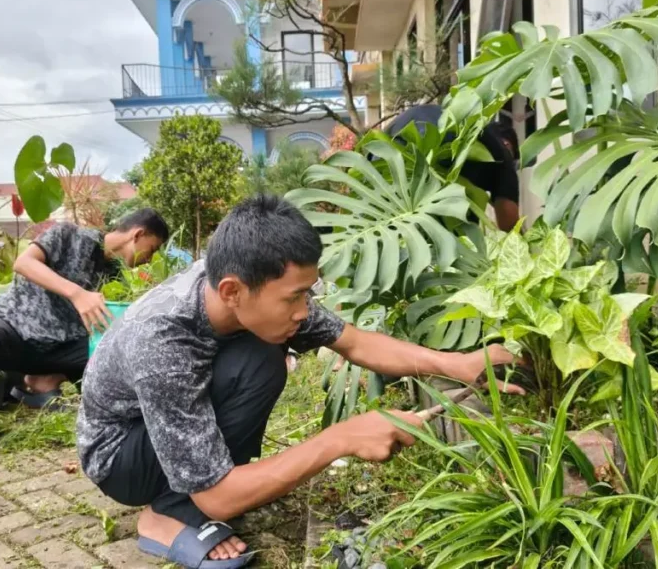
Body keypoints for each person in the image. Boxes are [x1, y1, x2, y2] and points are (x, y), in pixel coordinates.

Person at [76, 195, 524, 568]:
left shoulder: (247, 287)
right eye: (294, 297)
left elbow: (355, 342)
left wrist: (457, 365)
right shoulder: (164, 341)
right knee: (257, 364)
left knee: (259, 355)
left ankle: (195, 489)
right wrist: (341, 439)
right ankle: (166, 514)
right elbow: (218, 498)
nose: (304, 310)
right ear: (232, 291)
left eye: (307, 293)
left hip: (162, 428)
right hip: (121, 455)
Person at [0, 209, 169, 445]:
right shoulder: (67, 234)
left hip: (59, 347)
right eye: (153, 248)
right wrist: (77, 294)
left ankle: (43, 381)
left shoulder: (115, 273)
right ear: (138, 235)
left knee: (111, 354)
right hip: (16, 327)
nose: (150, 258)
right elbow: (23, 263)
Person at [386, 103, 521, 231]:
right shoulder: (503, 155)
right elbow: (509, 225)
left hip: (389, 143)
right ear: (507, 144)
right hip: (436, 144)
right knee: (463, 230)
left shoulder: (475, 129)